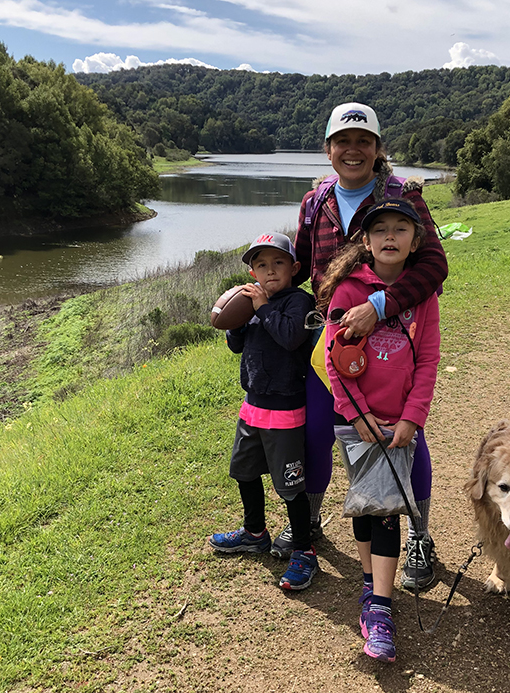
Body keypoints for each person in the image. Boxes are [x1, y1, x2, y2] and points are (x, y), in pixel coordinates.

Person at [272, 102, 449, 591]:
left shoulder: (402, 195)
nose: (353, 151)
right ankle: (306, 525)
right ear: (329, 149)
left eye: (364, 142)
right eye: (343, 142)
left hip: (393, 343)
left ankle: (419, 533)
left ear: (377, 149)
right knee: (317, 434)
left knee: (401, 435)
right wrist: (267, 299)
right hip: (332, 342)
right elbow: (305, 266)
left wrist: (381, 304)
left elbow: (435, 267)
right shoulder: (316, 200)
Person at [321, 196, 441, 662]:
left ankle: (381, 609)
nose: (390, 236)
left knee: (387, 508)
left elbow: (428, 359)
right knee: (368, 505)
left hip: (397, 426)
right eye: (380, 230)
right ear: (366, 243)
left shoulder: (423, 296)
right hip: (358, 423)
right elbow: (334, 359)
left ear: (415, 243)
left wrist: (413, 417)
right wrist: (355, 414)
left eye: (401, 229)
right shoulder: (348, 292)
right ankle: (372, 587)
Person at [208, 232, 319, 591]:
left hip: (286, 411)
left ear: (294, 267)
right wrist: (234, 321)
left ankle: (304, 550)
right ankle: (254, 532)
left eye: (278, 263)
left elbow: (290, 338)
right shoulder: (254, 303)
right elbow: (238, 345)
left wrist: (261, 308)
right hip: (253, 406)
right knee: (244, 472)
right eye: (261, 265)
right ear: (253, 272)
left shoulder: (297, 302)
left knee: (290, 485)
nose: (269, 272)